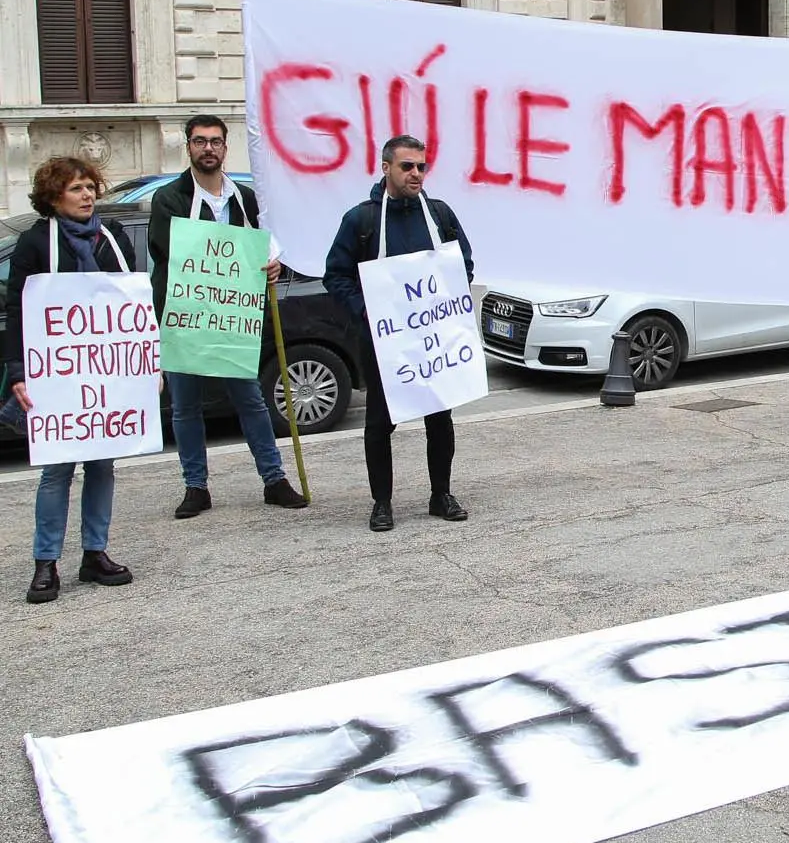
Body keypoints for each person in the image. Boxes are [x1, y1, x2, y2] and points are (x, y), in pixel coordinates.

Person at [148, 114, 308, 517]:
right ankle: (195, 486)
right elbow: (170, 252)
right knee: (185, 406)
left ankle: (274, 479)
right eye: (200, 141)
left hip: (232, 318)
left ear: (225, 147)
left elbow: (263, 246)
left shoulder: (246, 199)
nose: (208, 148)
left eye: (216, 141)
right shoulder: (170, 199)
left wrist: (271, 264)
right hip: (185, 317)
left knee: (250, 399)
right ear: (188, 147)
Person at [324, 135, 473, 532]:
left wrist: (447, 301)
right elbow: (335, 276)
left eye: (421, 166)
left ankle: (441, 494)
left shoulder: (439, 214)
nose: (416, 174)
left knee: (440, 419)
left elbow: (464, 264)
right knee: (379, 424)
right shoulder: (362, 220)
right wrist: (365, 310)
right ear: (386, 167)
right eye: (407, 166)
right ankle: (382, 503)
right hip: (385, 344)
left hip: (432, 340)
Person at [5, 158, 137, 603]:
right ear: (53, 197)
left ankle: (94, 553)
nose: (86, 196)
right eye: (76, 188)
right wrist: (19, 374)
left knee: (102, 465)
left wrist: (145, 365)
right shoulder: (35, 243)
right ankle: (46, 563)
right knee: (56, 470)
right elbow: (18, 314)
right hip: (58, 374)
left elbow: (133, 305)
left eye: (90, 187)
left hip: (105, 373)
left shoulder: (111, 239)